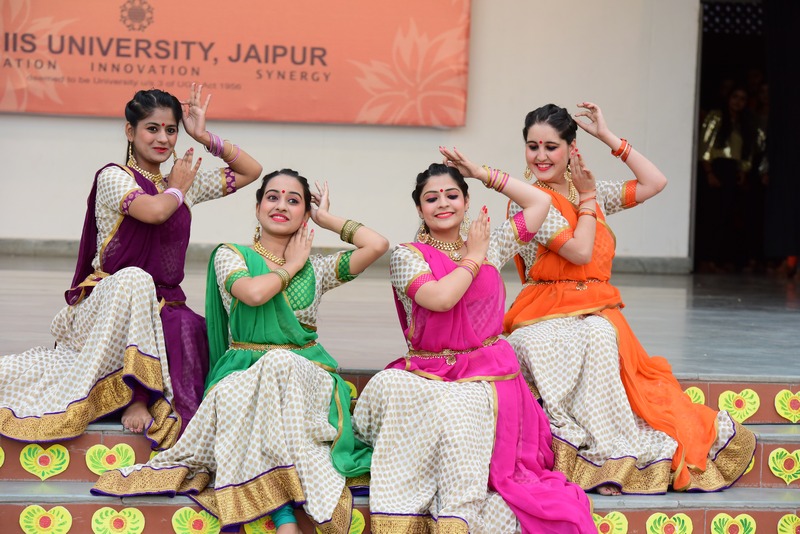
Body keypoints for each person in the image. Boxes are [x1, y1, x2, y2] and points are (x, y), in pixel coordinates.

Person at [93, 170, 388, 533]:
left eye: (294, 201)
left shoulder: (318, 269)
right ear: (258, 206)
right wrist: (292, 265)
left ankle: (283, 516)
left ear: (305, 213)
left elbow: (377, 245)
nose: (281, 205)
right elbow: (252, 293)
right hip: (243, 372)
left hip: (305, 378)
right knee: (240, 392)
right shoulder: (232, 256)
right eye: (273, 197)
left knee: (277, 365)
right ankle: (283, 516)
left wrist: (326, 219)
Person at [504, 102, 756, 495]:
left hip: (593, 308)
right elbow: (579, 253)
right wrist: (588, 198)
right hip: (544, 310)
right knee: (581, 339)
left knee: (601, 336)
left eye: (551, 146)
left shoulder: (588, 192)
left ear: (571, 148)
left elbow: (655, 182)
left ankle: (613, 455)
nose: (540, 156)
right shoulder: (529, 198)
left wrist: (609, 138)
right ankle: (590, 453)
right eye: (532, 146)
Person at [0, 84, 263, 448]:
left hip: (163, 304)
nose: (163, 139)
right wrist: (177, 189)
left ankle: (165, 410)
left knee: (188, 327)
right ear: (130, 131)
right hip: (110, 304)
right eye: (152, 128)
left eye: (171, 130)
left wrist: (204, 137)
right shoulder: (114, 177)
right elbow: (154, 212)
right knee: (136, 280)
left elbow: (251, 171)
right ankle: (136, 396)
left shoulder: (181, 183)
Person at [352, 154, 595, 533]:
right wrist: (475, 257)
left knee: (470, 416)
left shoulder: (490, 244)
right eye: (432, 198)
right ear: (419, 208)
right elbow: (440, 299)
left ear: (466, 201)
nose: (443, 203)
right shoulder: (407, 255)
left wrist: (483, 174)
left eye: (452, 195)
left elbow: (540, 202)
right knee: (439, 406)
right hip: (431, 370)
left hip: (489, 371)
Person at [697, 86, 766, 272]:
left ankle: (719, 260)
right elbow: (705, 144)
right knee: (711, 215)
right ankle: (706, 260)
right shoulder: (717, 116)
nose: (738, 102)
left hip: (733, 169)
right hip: (716, 166)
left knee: (727, 216)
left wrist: (743, 170)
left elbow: (747, 150)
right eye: (735, 97)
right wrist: (709, 172)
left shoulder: (745, 122)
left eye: (743, 98)